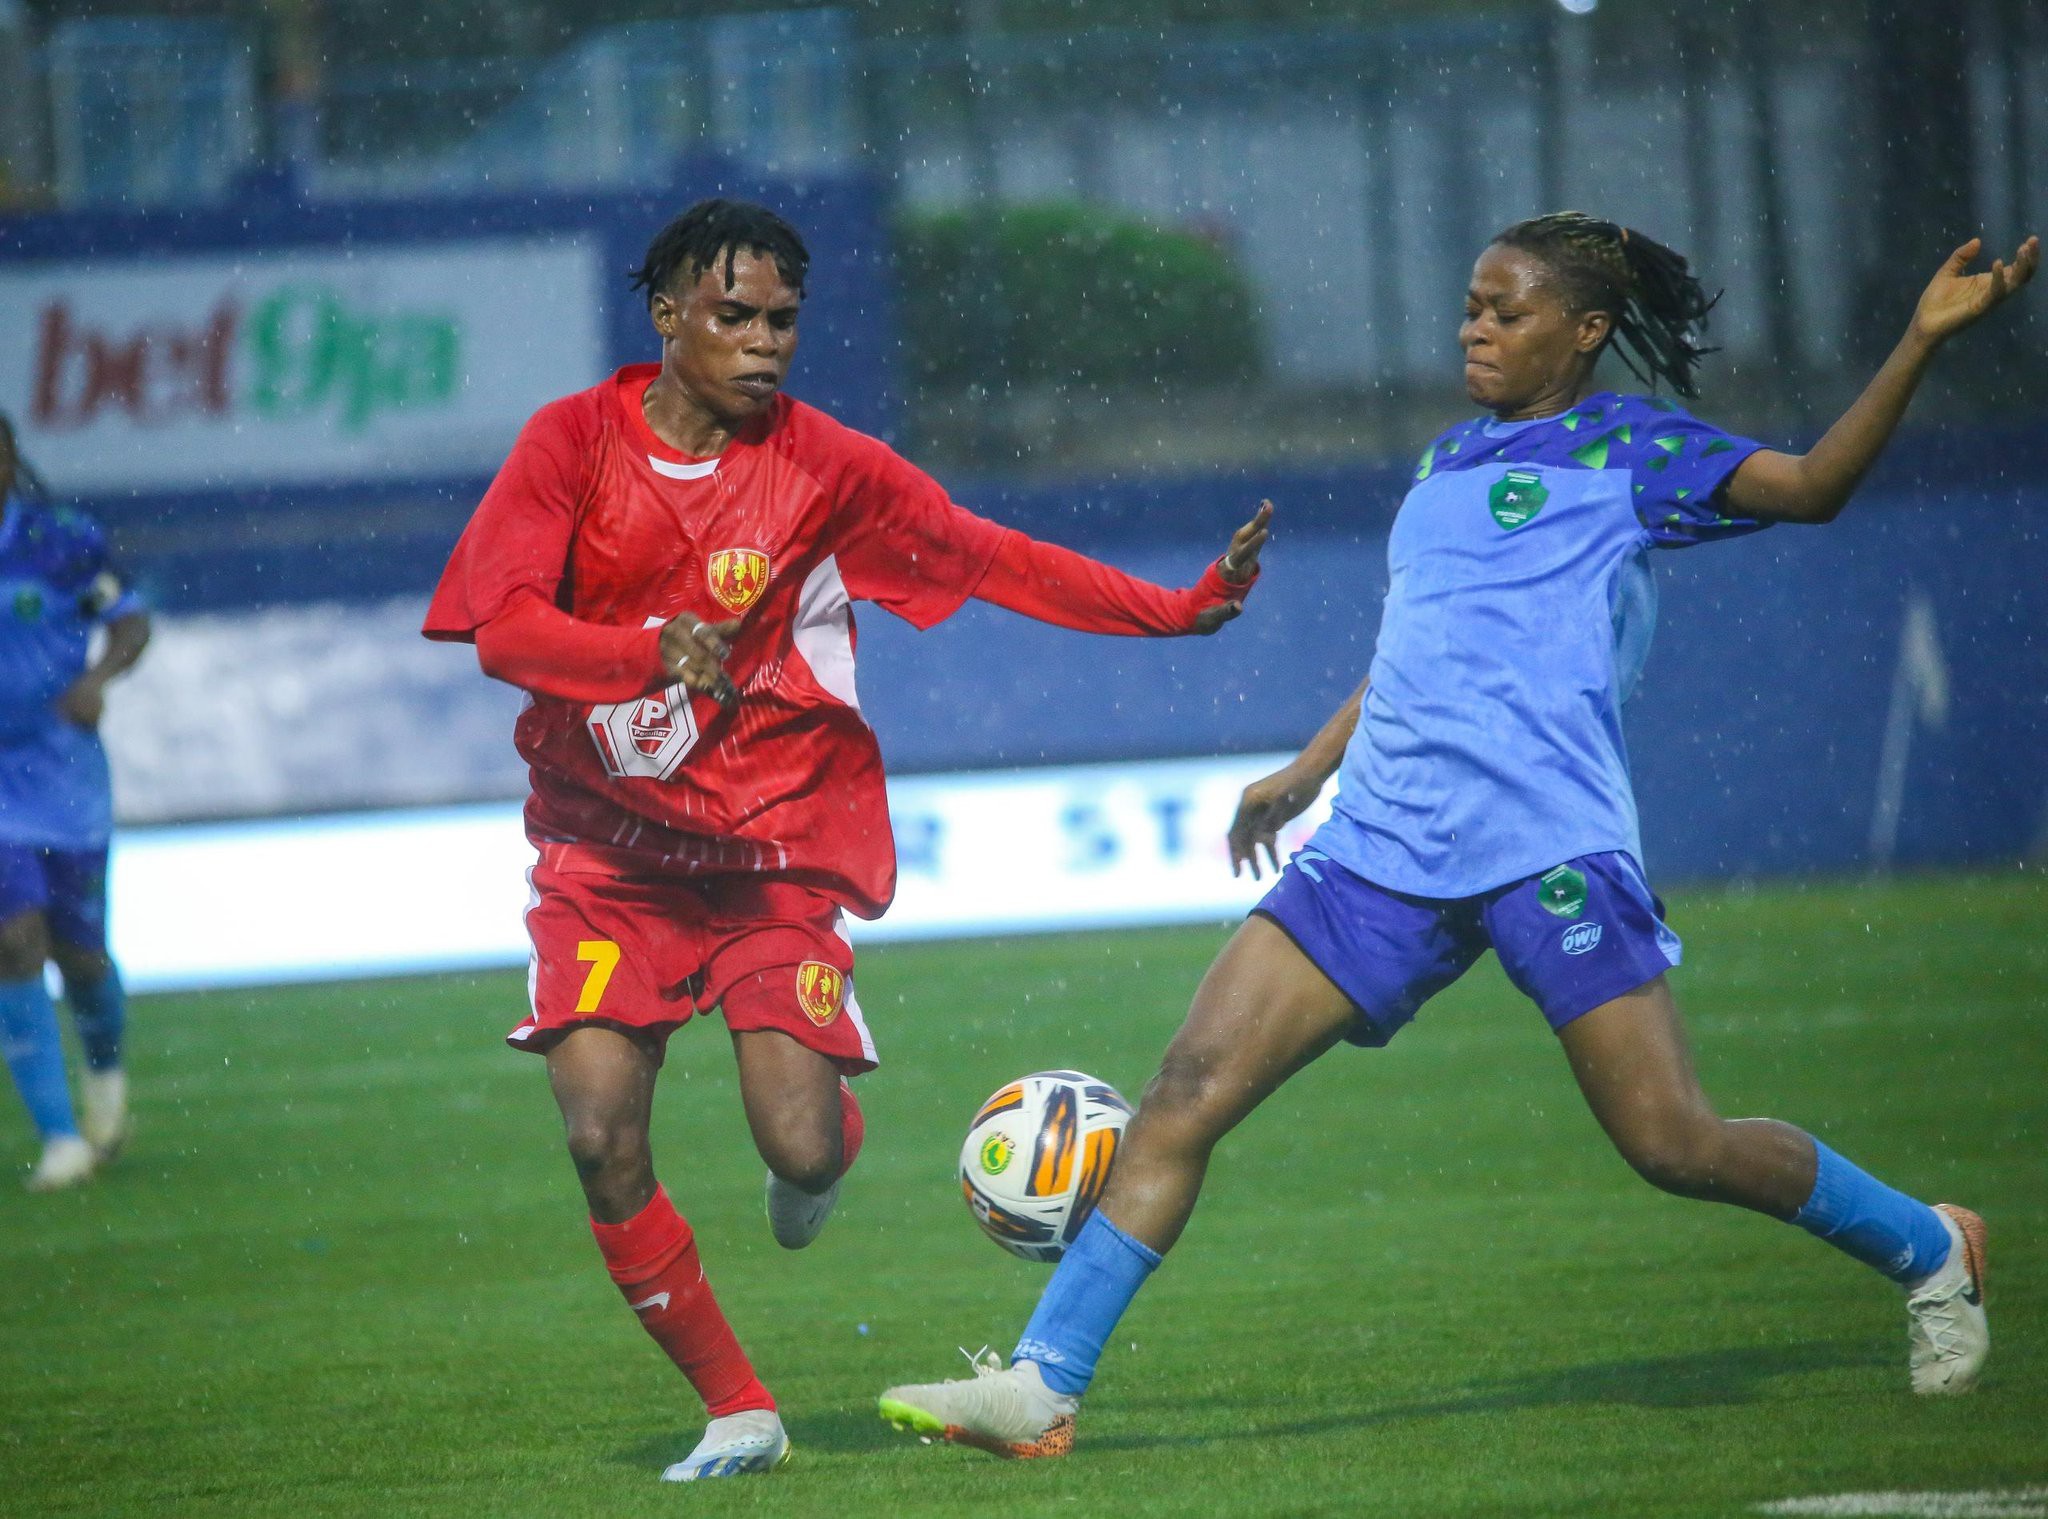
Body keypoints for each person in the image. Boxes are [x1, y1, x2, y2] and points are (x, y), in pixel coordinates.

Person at [878, 215, 2039, 1456]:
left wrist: (1918, 339)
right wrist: (1307, 769)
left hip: (1543, 844)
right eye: (1470, 305)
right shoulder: (1442, 464)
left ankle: (1928, 1245)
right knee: (1183, 1091)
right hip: (1378, 846)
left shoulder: (1630, 450)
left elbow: (1812, 489)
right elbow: (1417, 650)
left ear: (1585, 330)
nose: (1471, 327)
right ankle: (1041, 1384)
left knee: (1671, 1144)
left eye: (1503, 309)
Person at [422, 198, 1269, 1482]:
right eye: (733, 316)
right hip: (605, 858)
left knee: (799, 1145)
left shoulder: (826, 466)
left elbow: (991, 558)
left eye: (782, 320)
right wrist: (639, 650)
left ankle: (816, 1163)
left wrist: (1177, 607)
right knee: (598, 1131)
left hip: (765, 854)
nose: (764, 343)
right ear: (665, 318)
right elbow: (504, 632)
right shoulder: (569, 444)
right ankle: (738, 1409)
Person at [0, 412, 151, 1192]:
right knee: (14, 941)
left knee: (80, 954)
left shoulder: (63, 541)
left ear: (9, 456)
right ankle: (59, 1137)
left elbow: (129, 620)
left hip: (63, 779)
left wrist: (98, 678)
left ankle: (105, 1077)